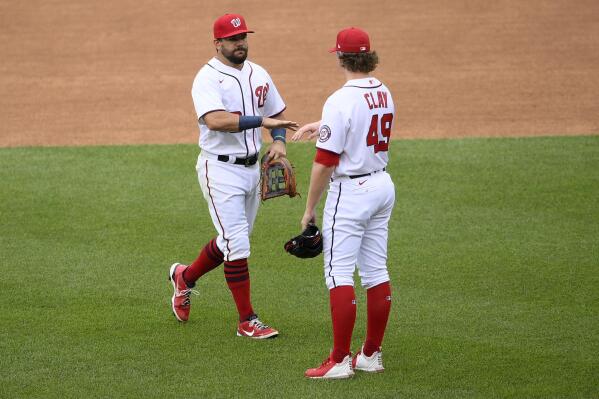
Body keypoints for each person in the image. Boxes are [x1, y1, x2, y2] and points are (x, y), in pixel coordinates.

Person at [168, 13, 298, 339]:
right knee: (237, 244)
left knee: (232, 240)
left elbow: (277, 114)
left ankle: (185, 276)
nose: (240, 44)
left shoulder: (259, 73)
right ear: (218, 43)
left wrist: (279, 143)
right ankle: (246, 321)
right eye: (233, 39)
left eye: (243, 37)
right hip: (220, 169)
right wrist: (260, 123)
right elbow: (214, 120)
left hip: (252, 169)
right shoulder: (207, 78)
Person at [292, 27, 395, 378]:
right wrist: (321, 125)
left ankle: (338, 361)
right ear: (369, 56)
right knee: (376, 271)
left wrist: (309, 209)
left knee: (338, 273)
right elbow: (360, 122)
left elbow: (324, 162)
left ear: (339, 56)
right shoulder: (383, 91)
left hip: (351, 193)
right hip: (381, 186)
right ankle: (370, 354)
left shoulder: (340, 99)